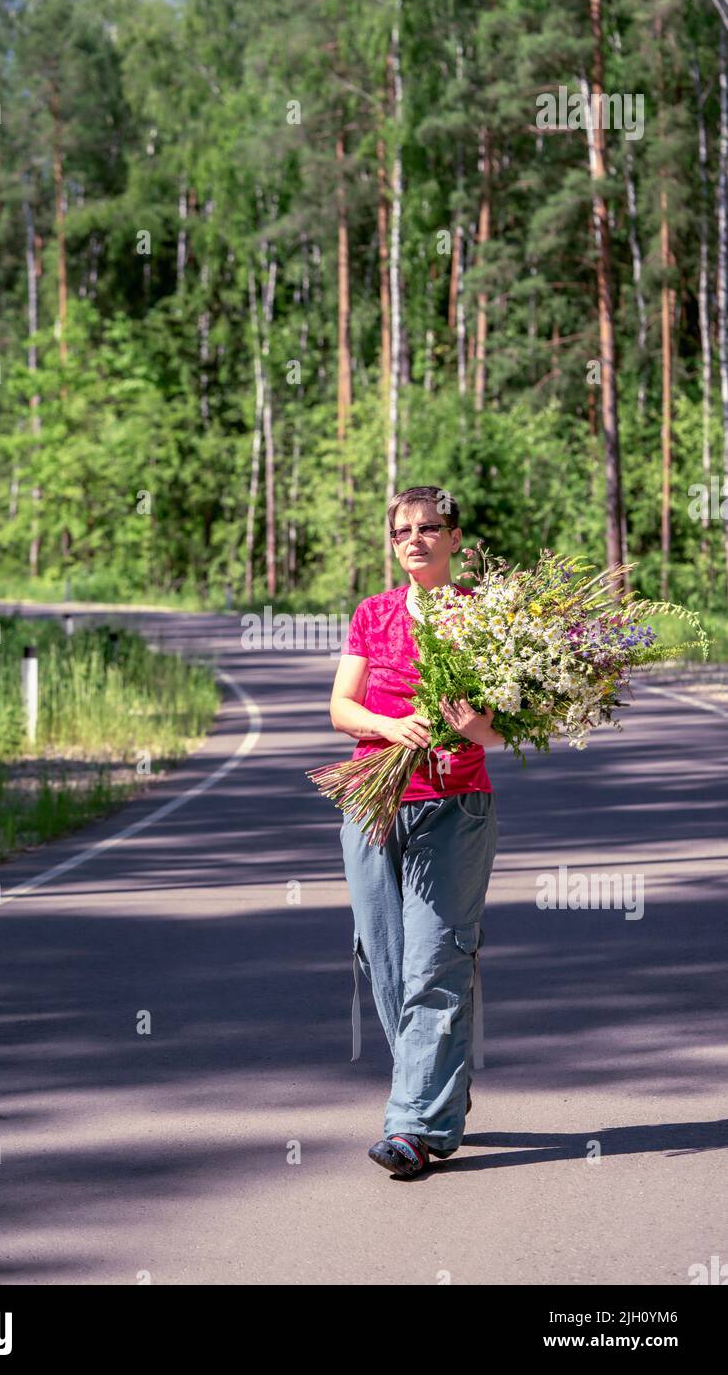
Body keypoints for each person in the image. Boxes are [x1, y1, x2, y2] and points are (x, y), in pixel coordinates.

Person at [329, 486, 504, 1178]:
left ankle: (410, 1126)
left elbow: (507, 728)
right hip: (372, 800)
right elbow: (341, 707)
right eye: (402, 530)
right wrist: (385, 725)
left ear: (455, 538)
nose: (414, 539)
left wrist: (471, 728)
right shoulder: (371, 613)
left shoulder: (488, 617)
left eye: (430, 528)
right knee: (383, 957)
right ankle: (438, 1095)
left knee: (435, 960)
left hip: (454, 804)